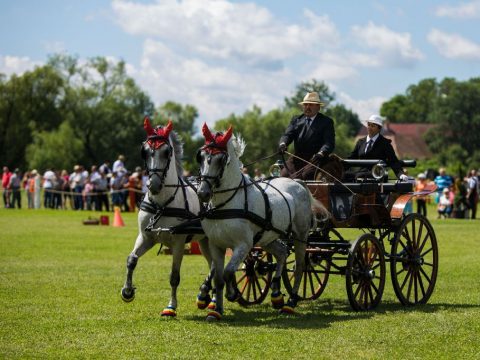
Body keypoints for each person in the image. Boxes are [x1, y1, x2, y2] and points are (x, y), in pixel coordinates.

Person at [278, 92, 335, 180]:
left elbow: (329, 143)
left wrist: (321, 153)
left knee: (304, 177)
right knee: (284, 175)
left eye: (311, 105)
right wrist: (283, 144)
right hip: (297, 157)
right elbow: (287, 135)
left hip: (316, 160)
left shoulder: (326, 122)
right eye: (305, 104)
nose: (307, 107)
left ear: (318, 107)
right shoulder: (296, 119)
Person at [347, 115, 408, 181]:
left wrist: (400, 174)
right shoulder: (360, 142)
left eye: (373, 126)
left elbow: (393, 160)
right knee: (345, 176)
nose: (369, 127)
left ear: (379, 128)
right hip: (360, 175)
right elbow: (352, 158)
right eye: (369, 125)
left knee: (358, 176)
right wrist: (339, 166)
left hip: (377, 176)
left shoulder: (385, 143)